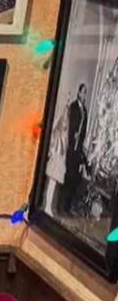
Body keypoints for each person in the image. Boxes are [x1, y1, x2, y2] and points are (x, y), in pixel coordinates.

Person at [60, 83, 89, 214]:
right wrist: (73, 134)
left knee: (75, 178)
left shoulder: (85, 112)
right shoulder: (73, 107)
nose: (84, 95)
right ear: (78, 93)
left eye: (86, 93)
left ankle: (68, 206)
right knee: (68, 175)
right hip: (71, 146)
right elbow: (68, 123)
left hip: (78, 149)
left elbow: (84, 131)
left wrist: (82, 146)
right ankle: (61, 204)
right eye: (83, 92)